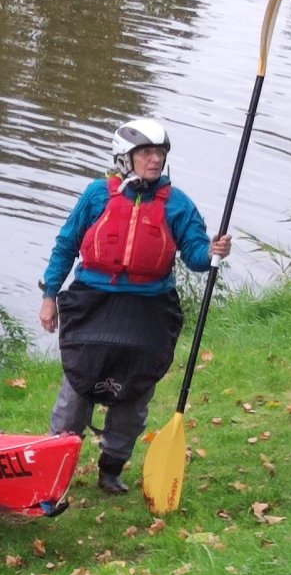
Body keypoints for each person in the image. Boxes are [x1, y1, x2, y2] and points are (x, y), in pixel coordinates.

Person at [38, 118, 231, 495]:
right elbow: (66, 245)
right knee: (77, 387)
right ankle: (56, 463)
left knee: (135, 392)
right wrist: (50, 296)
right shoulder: (97, 195)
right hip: (93, 303)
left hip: (149, 309)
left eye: (160, 153)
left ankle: (111, 468)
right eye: (146, 153)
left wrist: (213, 251)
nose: (155, 160)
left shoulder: (177, 204)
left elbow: (195, 256)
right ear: (124, 157)